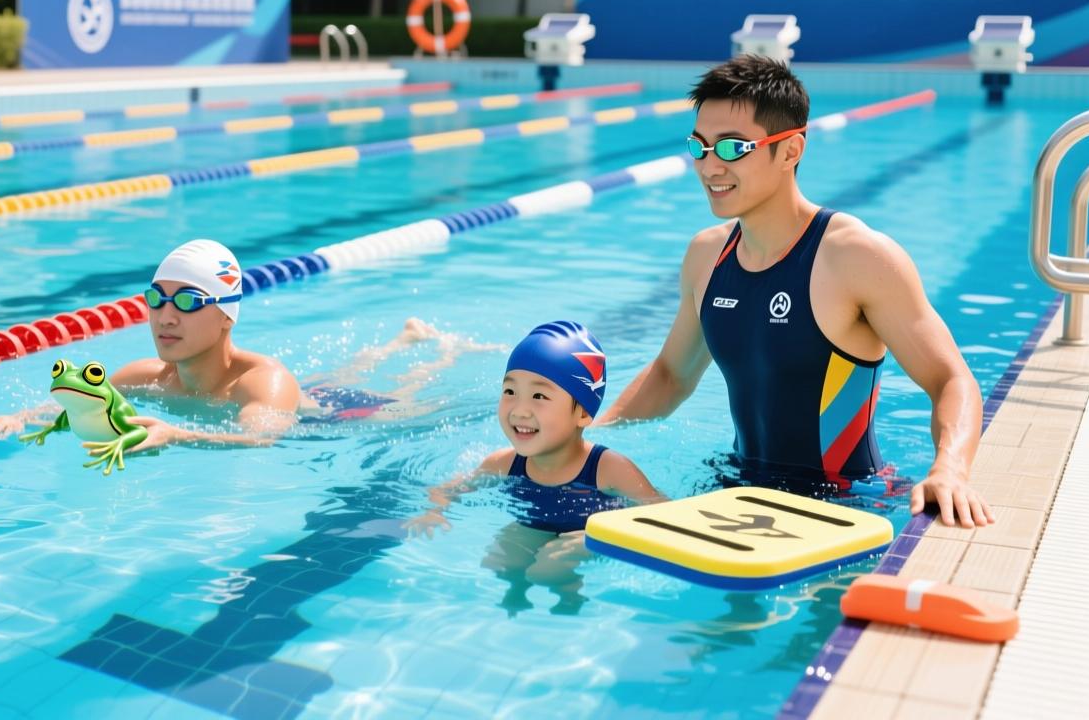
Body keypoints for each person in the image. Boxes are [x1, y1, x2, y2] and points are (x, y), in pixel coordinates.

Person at [597, 55, 993, 529]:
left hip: (845, 503)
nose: (709, 166)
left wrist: (949, 468)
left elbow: (952, 380)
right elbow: (670, 376)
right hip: (736, 489)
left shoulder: (855, 256)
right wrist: (588, 437)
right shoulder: (707, 256)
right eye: (699, 147)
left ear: (790, 151)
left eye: (731, 148)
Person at [0, 239, 478, 451]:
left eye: (188, 301)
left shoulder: (265, 381)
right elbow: (72, 400)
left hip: (335, 416)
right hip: (308, 395)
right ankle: (402, 338)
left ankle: (441, 350)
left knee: (407, 398)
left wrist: (179, 435)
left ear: (225, 316)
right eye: (156, 298)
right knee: (347, 370)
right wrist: (21, 418)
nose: (165, 316)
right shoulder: (148, 375)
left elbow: (260, 441)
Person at [407, 321, 664, 614]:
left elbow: (661, 512)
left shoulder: (608, 469)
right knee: (500, 562)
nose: (520, 410)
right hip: (533, 523)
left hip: (587, 536)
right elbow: (450, 488)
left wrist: (602, 537)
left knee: (549, 570)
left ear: (582, 412)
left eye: (539, 396)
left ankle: (570, 598)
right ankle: (516, 593)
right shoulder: (503, 463)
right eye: (510, 391)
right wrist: (434, 511)